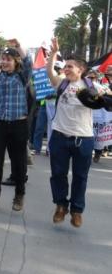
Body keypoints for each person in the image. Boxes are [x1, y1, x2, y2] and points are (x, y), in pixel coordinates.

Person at [46, 38, 102, 228]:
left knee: (80, 176)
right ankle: (61, 206)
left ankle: (77, 211)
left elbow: (106, 99)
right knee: (58, 174)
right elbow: (50, 72)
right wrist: (53, 54)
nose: (67, 69)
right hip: (60, 136)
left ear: (81, 69)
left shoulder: (92, 87)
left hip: (83, 139)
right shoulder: (61, 83)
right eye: (66, 66)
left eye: (71, 66)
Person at [0, 34, 32, 212]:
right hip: (0, 125)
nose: (4, 62)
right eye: (2, 59)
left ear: (16, 62)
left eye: (8, 59)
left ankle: (20, 193)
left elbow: (28, 63)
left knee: (18, 162)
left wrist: (19, 45)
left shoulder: (22, 77)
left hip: (19, 125)